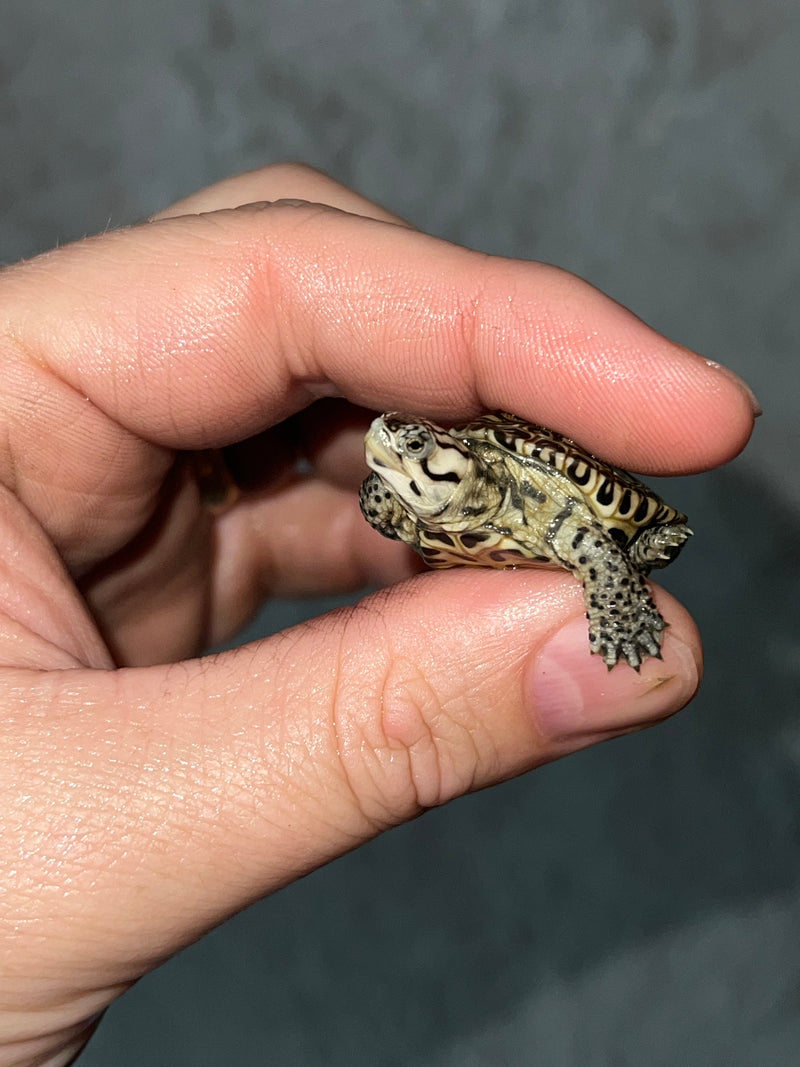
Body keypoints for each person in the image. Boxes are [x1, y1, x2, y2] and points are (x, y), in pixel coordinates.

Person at [0, 163, 757, 1066]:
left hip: (566, 519)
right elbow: (391, 502)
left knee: (608, 568)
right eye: (393, 449)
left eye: (419, 446)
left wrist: (614, 606)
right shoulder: (401, 502)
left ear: (459, 459)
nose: (396, 451)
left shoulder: (526, 490)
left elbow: (598, 545)